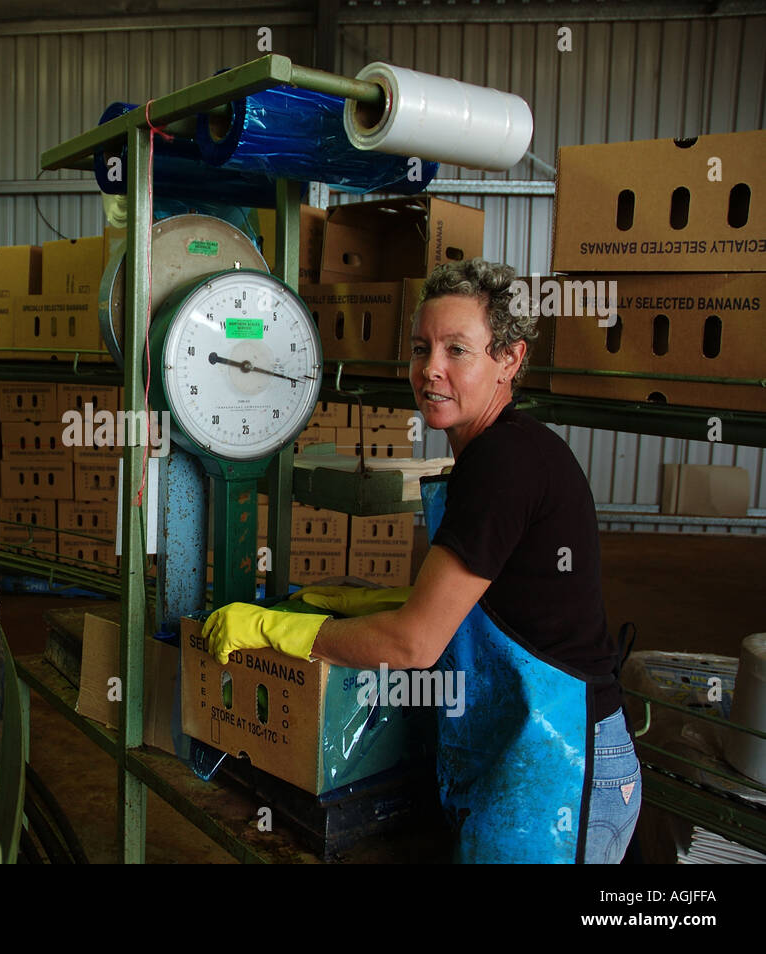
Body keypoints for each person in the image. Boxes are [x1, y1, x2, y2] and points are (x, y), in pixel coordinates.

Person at [204, 259, 640, 864]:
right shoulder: (498, 453)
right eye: (420, 348)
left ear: (509, 359)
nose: (429, 369)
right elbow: (484, 601)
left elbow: (414, 646)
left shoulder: (503, 464)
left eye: (457, 349)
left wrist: (275, 628)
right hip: (520, 754)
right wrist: (369, 603)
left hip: (562, 765)